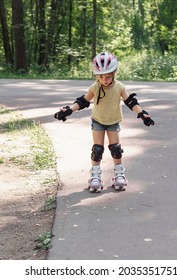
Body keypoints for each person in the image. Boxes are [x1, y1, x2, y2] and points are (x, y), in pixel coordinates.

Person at [54, 51, 154, 193]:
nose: (105, 79)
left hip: (113, 122)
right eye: (101, 76)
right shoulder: (95, 87)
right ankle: (95, 176)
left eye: (108, 76)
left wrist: (142, 114)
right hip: (98, 121)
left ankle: (119, 174)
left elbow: (130, 101)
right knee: (97, 149)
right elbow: (83, 101)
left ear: (114, 73)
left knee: (116, 148)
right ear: (96, 75)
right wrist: (69, 110)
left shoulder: (119, 87)